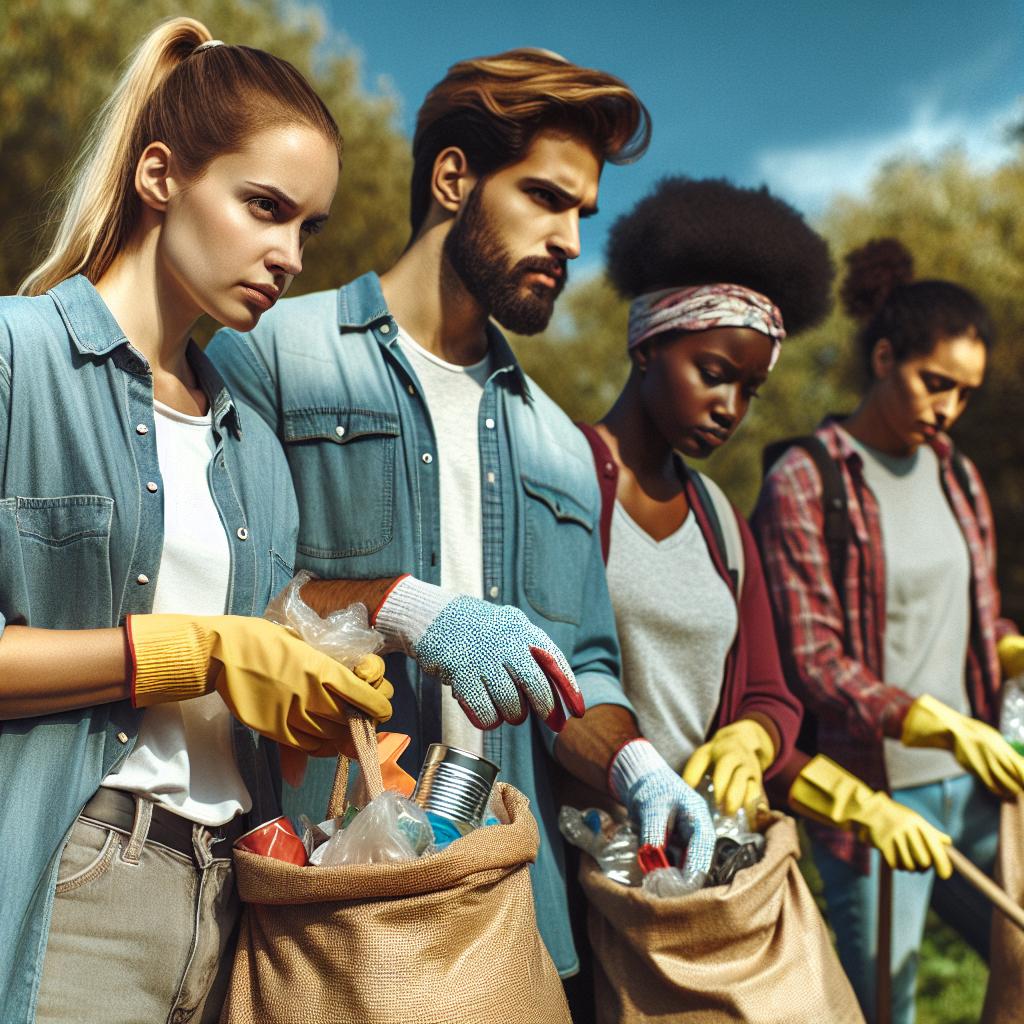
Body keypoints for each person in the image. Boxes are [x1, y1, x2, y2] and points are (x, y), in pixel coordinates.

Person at [208, 49, 718, 983]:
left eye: (582, 216)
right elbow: (230, 604)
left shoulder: (563, 446)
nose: (571, 239)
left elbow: (582, 672)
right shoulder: (273, 354)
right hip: (332, 906)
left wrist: (638, 766)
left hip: (519, 920)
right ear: (453, 177)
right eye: (546, 199)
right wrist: (407, 609)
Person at [0, 19, 394, 1022]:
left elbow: (240, 687)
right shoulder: (17, 358)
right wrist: (197, 651)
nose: (289, 253)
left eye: (307, 227)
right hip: (74, 880)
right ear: (161, 175)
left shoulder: (251, 442)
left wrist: (305, 689)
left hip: (231, 901)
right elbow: (206, 654)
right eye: (264, 207)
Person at [753, 237, 1024, 1023]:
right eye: (934, 384)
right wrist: (932, 722)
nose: (948, 410)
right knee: (883, 1010)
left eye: (965, 395)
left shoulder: (958, 473)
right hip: (875, 806)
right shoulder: (808, 479)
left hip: (979, 794)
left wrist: (1007, 647)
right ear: (882, 357)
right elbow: (813, 661)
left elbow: (976, 616)